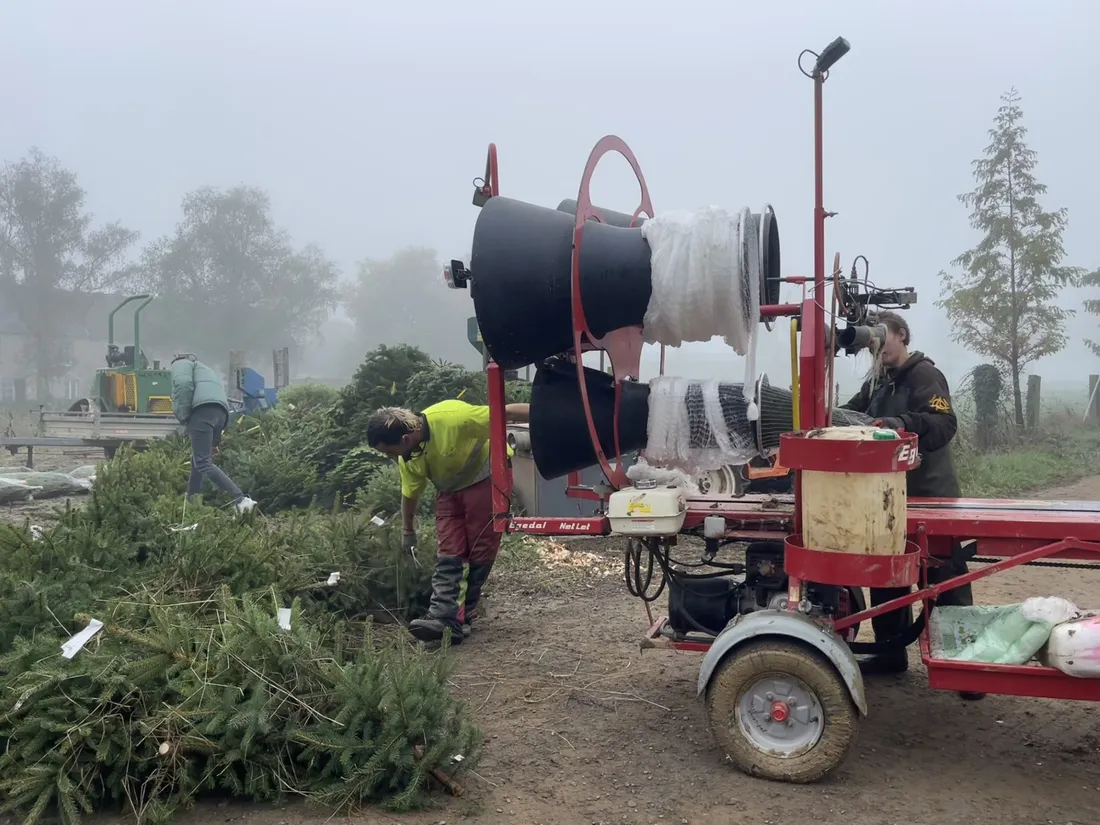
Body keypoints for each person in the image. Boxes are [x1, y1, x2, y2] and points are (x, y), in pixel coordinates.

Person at [840, 311, 983, 699]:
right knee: (888, 576)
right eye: (871, 340)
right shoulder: (877, 381)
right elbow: (850, 414)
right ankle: (890, 654)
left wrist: (898, 423)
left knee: (945, 578)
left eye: (882, 337)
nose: (877, 346)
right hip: (889, 498)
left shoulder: (924, 376)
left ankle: (966, 666)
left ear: (902, 335)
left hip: (930, 494)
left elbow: (943, 424)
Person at [366, 399, 530, 644]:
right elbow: (410, 494)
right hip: (449, 490)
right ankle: (444, 619)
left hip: (486, 478)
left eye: (389, 452)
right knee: (450, 552)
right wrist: (407, 530)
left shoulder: (453, 418)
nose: (391, 458)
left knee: (478, 551)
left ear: (405, 439)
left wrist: (555, 409)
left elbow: (503, 412)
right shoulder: (409, 458)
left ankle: (460, 617)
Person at [170, 353, 256, 514]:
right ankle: (190, 503)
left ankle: (241, 500)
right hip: (220, 413)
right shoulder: (204, 368)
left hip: (201, 412)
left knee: (203, 463)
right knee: (198, 459)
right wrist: (214, 443)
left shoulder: (180, 364)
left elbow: (183, 384)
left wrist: (184, 415)